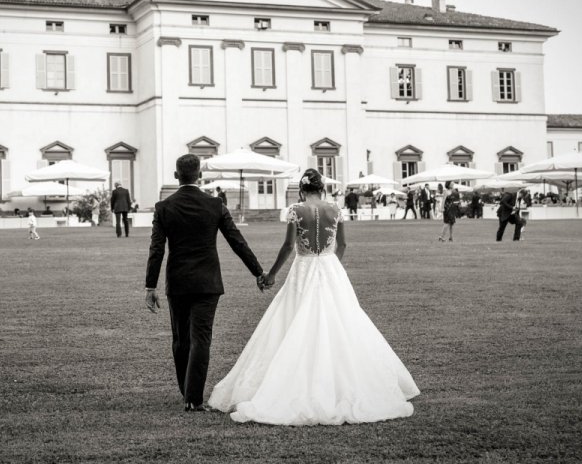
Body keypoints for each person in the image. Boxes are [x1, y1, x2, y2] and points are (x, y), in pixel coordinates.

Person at [208, 169, 419, 424]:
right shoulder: (335, 209)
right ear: (322, 189)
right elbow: (342, 245)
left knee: (292, 321)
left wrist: (272, 274)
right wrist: (331, 265)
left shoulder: (296, 210)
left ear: (301, 189)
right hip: (330, 269)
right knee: (344, 322)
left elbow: (288, 246)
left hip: (304, 268)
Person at [145, 154, 268, 413]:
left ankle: (187, 393)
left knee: (181, 340)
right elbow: (237, 241)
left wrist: (150, 286)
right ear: (199, 175)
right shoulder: (215, 205)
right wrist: (257, 271)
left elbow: (156, 249)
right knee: (201, 339)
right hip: (208, 282)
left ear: (176, 175)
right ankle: (193, 398)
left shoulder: (163, 207)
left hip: (177, 282)